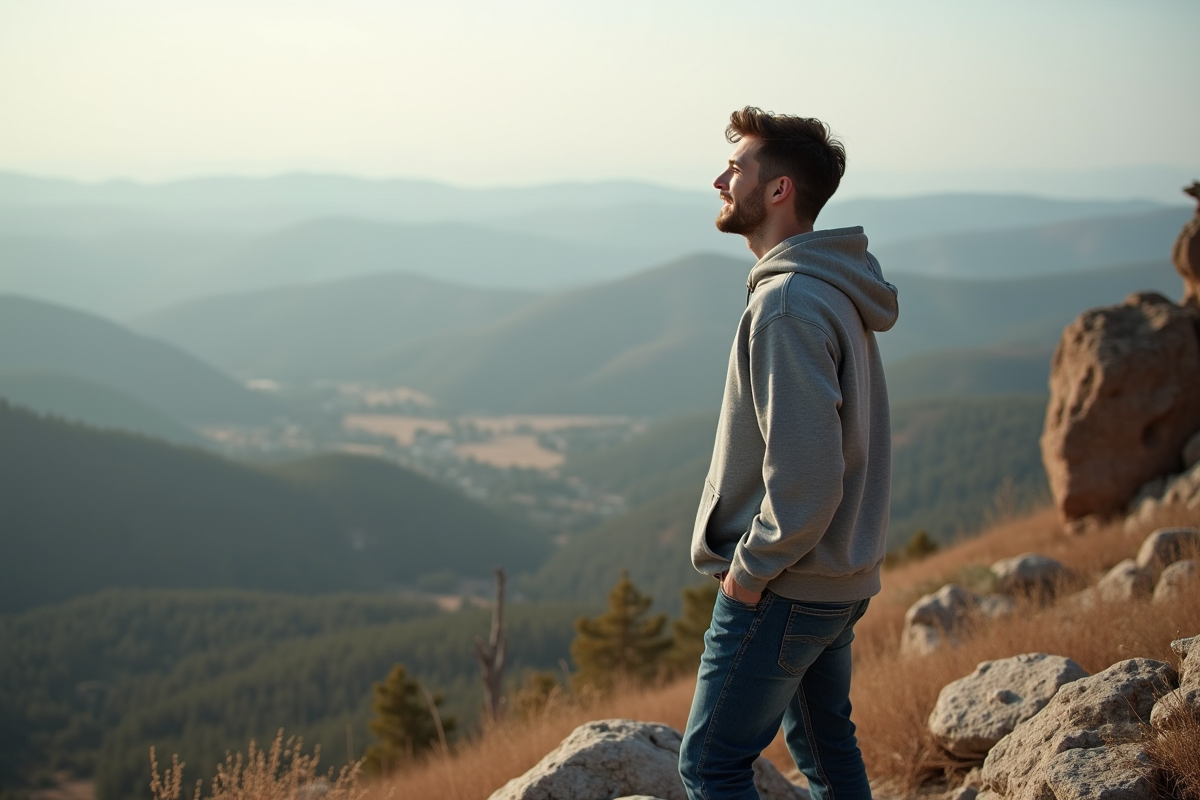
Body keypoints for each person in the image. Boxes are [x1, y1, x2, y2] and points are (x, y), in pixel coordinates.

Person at [678, 107, 899, 800]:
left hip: (784, 585)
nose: (719, 179)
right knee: (826, 748)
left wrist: (749, 573)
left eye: (736, 167)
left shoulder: (788, 305)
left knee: (711, 767)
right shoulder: (832, 285)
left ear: (778, 192)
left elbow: (807, 476)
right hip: (836, 577)